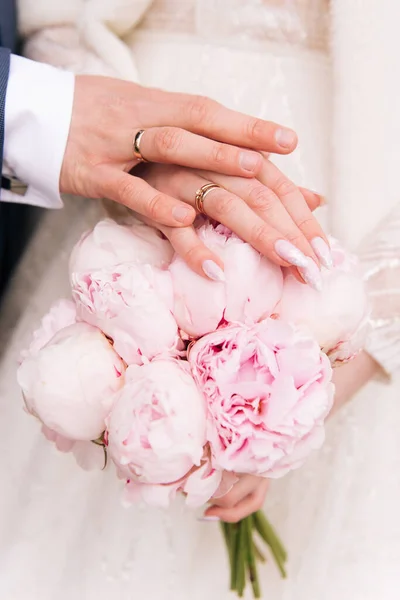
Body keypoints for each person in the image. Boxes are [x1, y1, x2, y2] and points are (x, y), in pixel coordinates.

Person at [0, 1, 399, 599]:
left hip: (347, 255)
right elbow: (55, 23)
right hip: (131, 213)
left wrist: (286, 405)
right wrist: (131, 164)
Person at [0, 0, 328, 297]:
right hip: (110, 138)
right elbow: (51, 17)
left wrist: (373, 321)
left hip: (346, 183)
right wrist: (132, 143)